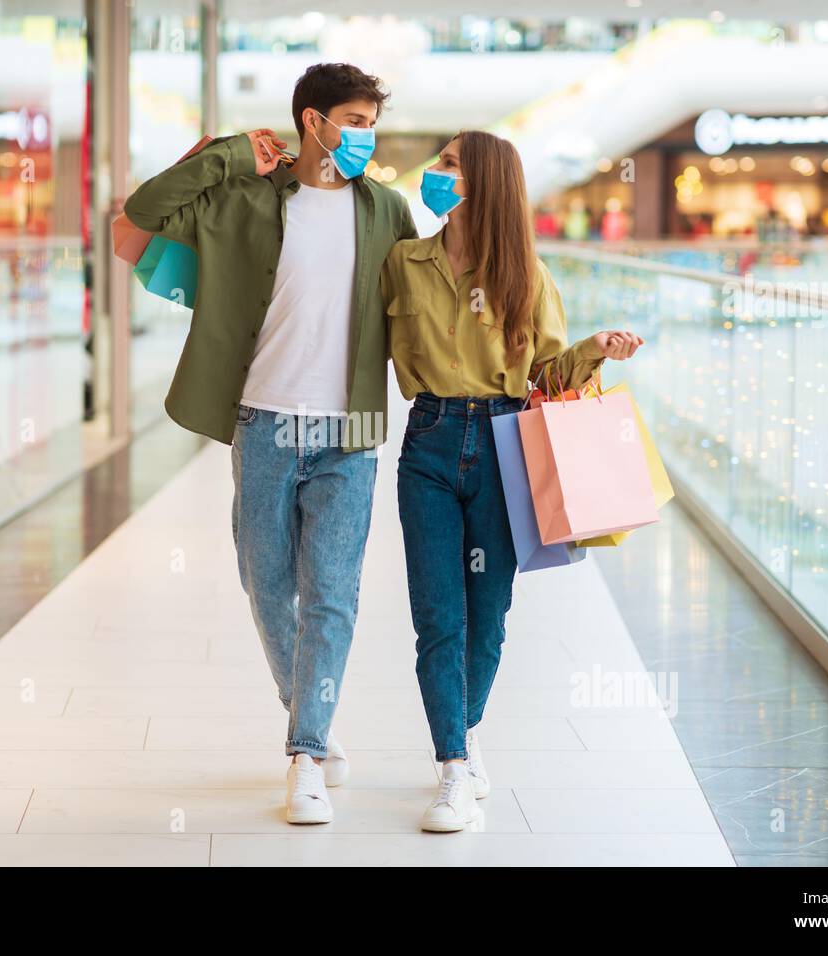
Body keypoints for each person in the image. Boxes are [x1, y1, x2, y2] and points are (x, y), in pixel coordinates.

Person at [123, 63, 417, 825]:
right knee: (266, 585)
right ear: (311, 121)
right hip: (261, 420)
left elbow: (419, 301)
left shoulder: (386, 208)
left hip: (349, 428)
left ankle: (306, 753)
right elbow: (145, 208)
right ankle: (308, 713)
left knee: (332, 597)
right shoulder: (246, 196)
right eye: (351, 120)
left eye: (368, 121)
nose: (363, 135)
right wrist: (227, 154)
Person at [383, 131, 644, 831]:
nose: (434, 176)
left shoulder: (527, 275)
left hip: (504, 446)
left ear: (486, 183)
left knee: (487, 617)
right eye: (437, 164)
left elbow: (548, 380)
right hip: (429, 445)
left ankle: (464, 738)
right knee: (438, 618)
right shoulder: (405, 263)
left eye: (447, 167)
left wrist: (596, 350)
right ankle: (451, 769)